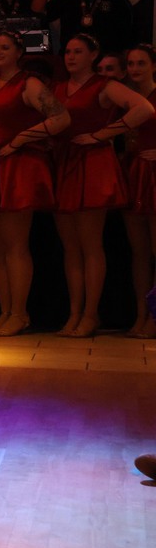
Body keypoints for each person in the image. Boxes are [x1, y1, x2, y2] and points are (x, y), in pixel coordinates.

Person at [0, 31, 71, 337]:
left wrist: (22, 139)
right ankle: (5, 311)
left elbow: (61, 118)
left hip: (15, 166)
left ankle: (20, 313)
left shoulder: (28, 83)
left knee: (15, 245)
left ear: (19, 52)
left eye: (5, 47)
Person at [50, 33, 154, 337]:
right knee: (71, 247)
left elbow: (144, 109)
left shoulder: (104, 85)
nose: (71, 57)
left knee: (91, 244)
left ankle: (91, 314)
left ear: (92, 55)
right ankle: (74, 313)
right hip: (66, 162)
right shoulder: (58, 88)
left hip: (92, 163)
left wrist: (102, 134)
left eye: (78, 52)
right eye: (68, 52)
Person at [122, 44, 156, 338]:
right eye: (131, 64)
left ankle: (154, 317)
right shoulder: (126, 98)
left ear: (153, 66)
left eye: (141, 63)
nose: (134, 69)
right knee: (139, 253)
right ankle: (141, 313)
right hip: (133, 173)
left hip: (154, 174)